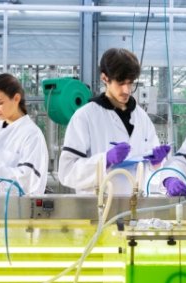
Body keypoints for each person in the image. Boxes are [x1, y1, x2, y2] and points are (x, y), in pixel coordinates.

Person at [58, 48, 170, 194]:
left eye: (130, 83)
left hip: (137, 208)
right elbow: (67, 172)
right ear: (104, 78)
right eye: (120, 82)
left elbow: (154, 177)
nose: (127, 90)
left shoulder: (142, 118)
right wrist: (105, 160)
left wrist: (157, 163)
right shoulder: (85, 117)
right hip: (99, 210)